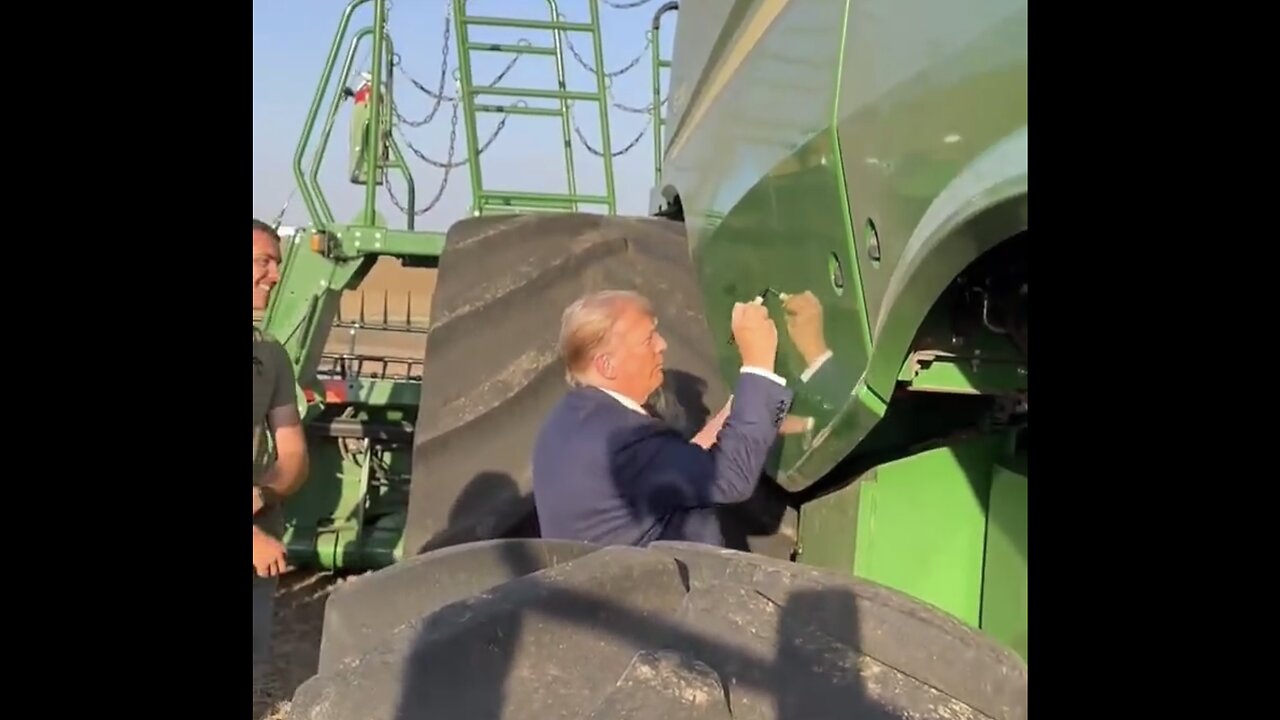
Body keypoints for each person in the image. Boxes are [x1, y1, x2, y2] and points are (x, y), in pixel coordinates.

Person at [531, 289, 792, 547]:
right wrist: (759, 363)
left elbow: (675, 465)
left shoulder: (567, 424)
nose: (662, 345)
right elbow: (732, 478)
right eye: (648, 339)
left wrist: (746, 399)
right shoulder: (623, 438)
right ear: (606, 365)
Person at [251, 219, 310, 682]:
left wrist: (265, 493)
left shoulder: (271, 356)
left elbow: (293, 457)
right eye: (262, 262)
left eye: (276, 264)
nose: (274, 275)